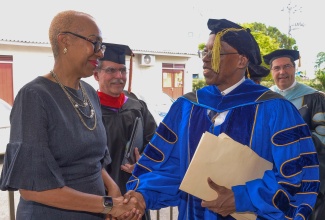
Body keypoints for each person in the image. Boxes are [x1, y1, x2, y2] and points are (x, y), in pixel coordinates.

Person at [124, 18, 320, 219]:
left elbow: (295, 175)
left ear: (241, 61)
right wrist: (142, 194)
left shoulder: (275, 108)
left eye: (216, 52)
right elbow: (170, 167)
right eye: (205, 51)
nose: (206, 58)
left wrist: (242, 197)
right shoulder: (187, 106)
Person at [0, 10, 143, 220]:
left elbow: (93, 161)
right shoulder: (34, 96)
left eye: (101, 46)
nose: (100, 53)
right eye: (94, 43)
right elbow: (31, 188)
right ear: (65, 41)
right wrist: (108, 205)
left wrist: (112, 188)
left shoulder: (89, 93)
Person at [93, 43, 157, 220]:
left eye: (123, 70)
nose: (119, 76)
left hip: (135, 196)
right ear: (96, 74)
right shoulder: (89, 110)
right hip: (101, 199)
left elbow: (157, 145)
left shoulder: (137, 106)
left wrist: (144, 162)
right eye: (111, 70)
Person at [263, 49, 325, 220]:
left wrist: (295, 143)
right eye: (277, 68)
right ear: (271, 72)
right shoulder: (264, 99)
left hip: (305, 172)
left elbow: (322, 136)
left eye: (287, 66)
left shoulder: (313, 98)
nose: (282, 72)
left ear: (294, 69)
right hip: (272, 172)